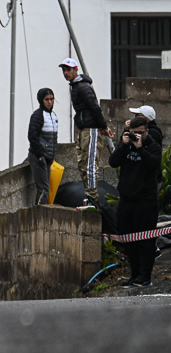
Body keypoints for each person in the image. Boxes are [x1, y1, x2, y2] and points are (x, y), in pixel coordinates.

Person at [108, 116, 162, 287]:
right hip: (126, 200)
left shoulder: (153, 147)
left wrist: (140, 148)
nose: (136, 136)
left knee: (145, 241)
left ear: (146, 132)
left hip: (145, 201)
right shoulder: (127, 145)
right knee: (128, 239)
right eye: (133, 133)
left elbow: (153, 165)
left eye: (140, 133)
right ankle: (135, 275)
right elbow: (113, 162)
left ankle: (145, 276)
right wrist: (124, 145)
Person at [59, 58, 114, 205]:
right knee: (82, 164)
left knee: (90, 164)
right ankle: (89, 195)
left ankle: (92, 197)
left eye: (68, 70)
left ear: (75, 70)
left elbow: (95, 107)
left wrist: (103, 126)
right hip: (84, 129)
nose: (65, 73)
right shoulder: (76, 86)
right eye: (64, 70)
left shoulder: (83, 87)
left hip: (92, 129)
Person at [27, 88, 59, 205]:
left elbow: (53, 138)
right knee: (43, 189)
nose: (49, 102)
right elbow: (32, 136)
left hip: (48, 158)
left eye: (51, 99)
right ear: (41, 100)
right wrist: (40, 155)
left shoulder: (53, 115)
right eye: (46, 99)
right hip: (39, 157)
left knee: (45, 189)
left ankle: (41, 211)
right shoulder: (37, 116)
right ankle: (40, 212)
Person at [125, 105, 163, 186]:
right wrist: (126, 132)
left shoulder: (153, 133)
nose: (134, 119)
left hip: (148, 181)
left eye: (137, 116)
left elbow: (152, 160)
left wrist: (139, 147)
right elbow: (114, 161)